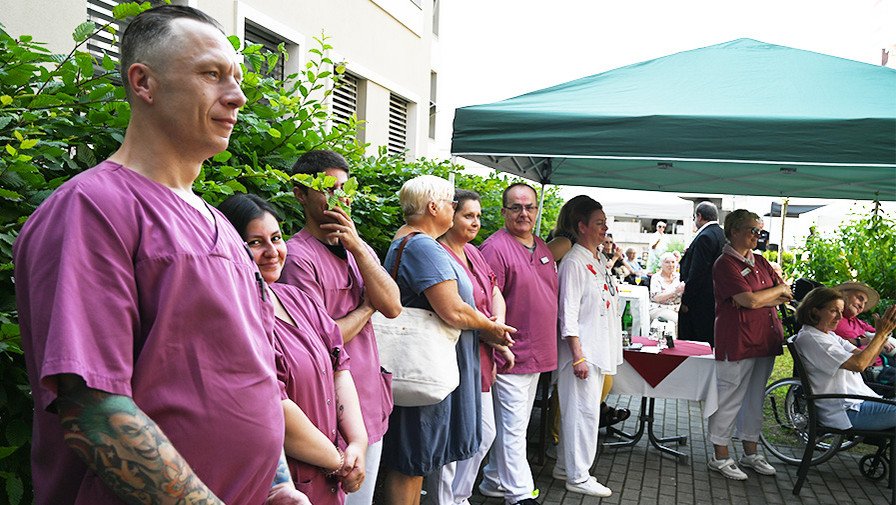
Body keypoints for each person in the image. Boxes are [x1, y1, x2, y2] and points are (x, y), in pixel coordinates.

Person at [12, 6, 306, 504]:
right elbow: (93, 409)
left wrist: (278, 484)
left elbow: (251, 374)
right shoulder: (91, 211)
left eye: (235, 78)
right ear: (143, 83)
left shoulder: (220, 224)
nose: (236, 96)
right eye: (211, 75)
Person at [219, 194, 369, 503]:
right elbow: (274, 408)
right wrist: (340, 461)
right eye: (255, 243)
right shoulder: (231, 316)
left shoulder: (298, 299)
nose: (272, 252)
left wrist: (357, 442)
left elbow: (339, 367)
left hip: (329, 472)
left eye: (276, 238)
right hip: (281, 481)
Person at [380, 175, 515, 505]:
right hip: (424, 366)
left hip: (427, 363)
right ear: (433, 207)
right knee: (412, 461)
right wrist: (492, 329)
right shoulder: (423, 246)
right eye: (452, 204)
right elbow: (453, 309)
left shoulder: (408, 241)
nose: (454, 209)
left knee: (415, 461)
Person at [279, 149, 401, 505]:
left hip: (370, 405)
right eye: (328, 189)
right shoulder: (297, 257)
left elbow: (392, 305)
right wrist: (366, 308)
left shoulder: (355, 249)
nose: (339, 198)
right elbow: (315, 343)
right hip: (331, 415)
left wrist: (358, 247)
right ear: (301, 194)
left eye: (344, 188)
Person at [478, 183, 559, 505]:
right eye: (515, 207)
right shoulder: (494, 248)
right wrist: (499, 343)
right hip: (511, 354)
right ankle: (520, 495)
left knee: (516, 426)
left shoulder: (541, 246)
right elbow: (484, 304)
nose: (523, 213)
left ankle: (495, 481)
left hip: (539, 353)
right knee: (511, 428)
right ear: (503, 212)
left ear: (537, 210)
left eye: (529, 207)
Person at [433, 189, 516, 504]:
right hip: (456, 356)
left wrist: (498, 330)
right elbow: (454, 311)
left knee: (483, 435)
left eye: (479, 216)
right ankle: (444, 499)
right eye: (468, 215)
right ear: (450, 215)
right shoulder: (440, 253)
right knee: (454, 438)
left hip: (481, 355)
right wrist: (493, 332)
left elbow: (495, 290)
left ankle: (459, 496)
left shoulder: (474, 252)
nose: (476, 222)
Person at [706, 209, 792, 481]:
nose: (758, 235)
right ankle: (720, 456)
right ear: (734, 231)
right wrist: (761, 296)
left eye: (759, 230)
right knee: (730, 397)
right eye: (752, 230)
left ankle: (750, 452)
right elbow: (749, 301)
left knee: (754, 398)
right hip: (739, 339)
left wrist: (761, 296)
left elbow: (785, 293)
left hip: (765, 338)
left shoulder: (761, 261)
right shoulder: (724, 263)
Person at [553, 196, 618, 498]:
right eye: (599, 223)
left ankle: (566, 466)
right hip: (582, 353)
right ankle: (579, 475)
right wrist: (577, 355)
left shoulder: (597, 259)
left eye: (605, 223)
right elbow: (568, 313)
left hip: (596, 349)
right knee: (583, 414)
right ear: (581, 227)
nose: (605, 228)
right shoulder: (574, 262)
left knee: (583, 412)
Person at [793, 287, 896, 430]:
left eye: (841, 312)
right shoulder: (812, 339)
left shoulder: (828, 335)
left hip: (859, 400)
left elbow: (868, 361)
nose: (839, 317)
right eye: (834, 311)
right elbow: (858, 364)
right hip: (846, 411)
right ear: (814, 310)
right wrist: (880, 335)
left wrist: (882, 335)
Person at [679, 201, 725, 346]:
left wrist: (686, 300)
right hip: (716, 299)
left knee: (695, 346)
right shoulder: (722, 234)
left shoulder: (705, 237)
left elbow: (697, 272)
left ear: (699, 216)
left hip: (700, 302)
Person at [833, 282, 895, 357]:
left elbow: (880, 332)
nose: (862, 306)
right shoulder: (830, 317)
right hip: (864, 365)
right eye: (860, 298)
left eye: (865, 303)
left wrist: (882, 333)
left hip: (882, 361)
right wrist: (864, 341)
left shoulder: (858, 322)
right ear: (843, 294)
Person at [649, 252, 685, 327]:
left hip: (677, 308)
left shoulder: (679, 276)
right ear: (661, 264)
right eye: (667, 262)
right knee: (678, 320)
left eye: (673, 262)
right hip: (659, 308)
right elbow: (656, 297)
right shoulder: (656, 277)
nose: (671, 265)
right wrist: (675, 292)